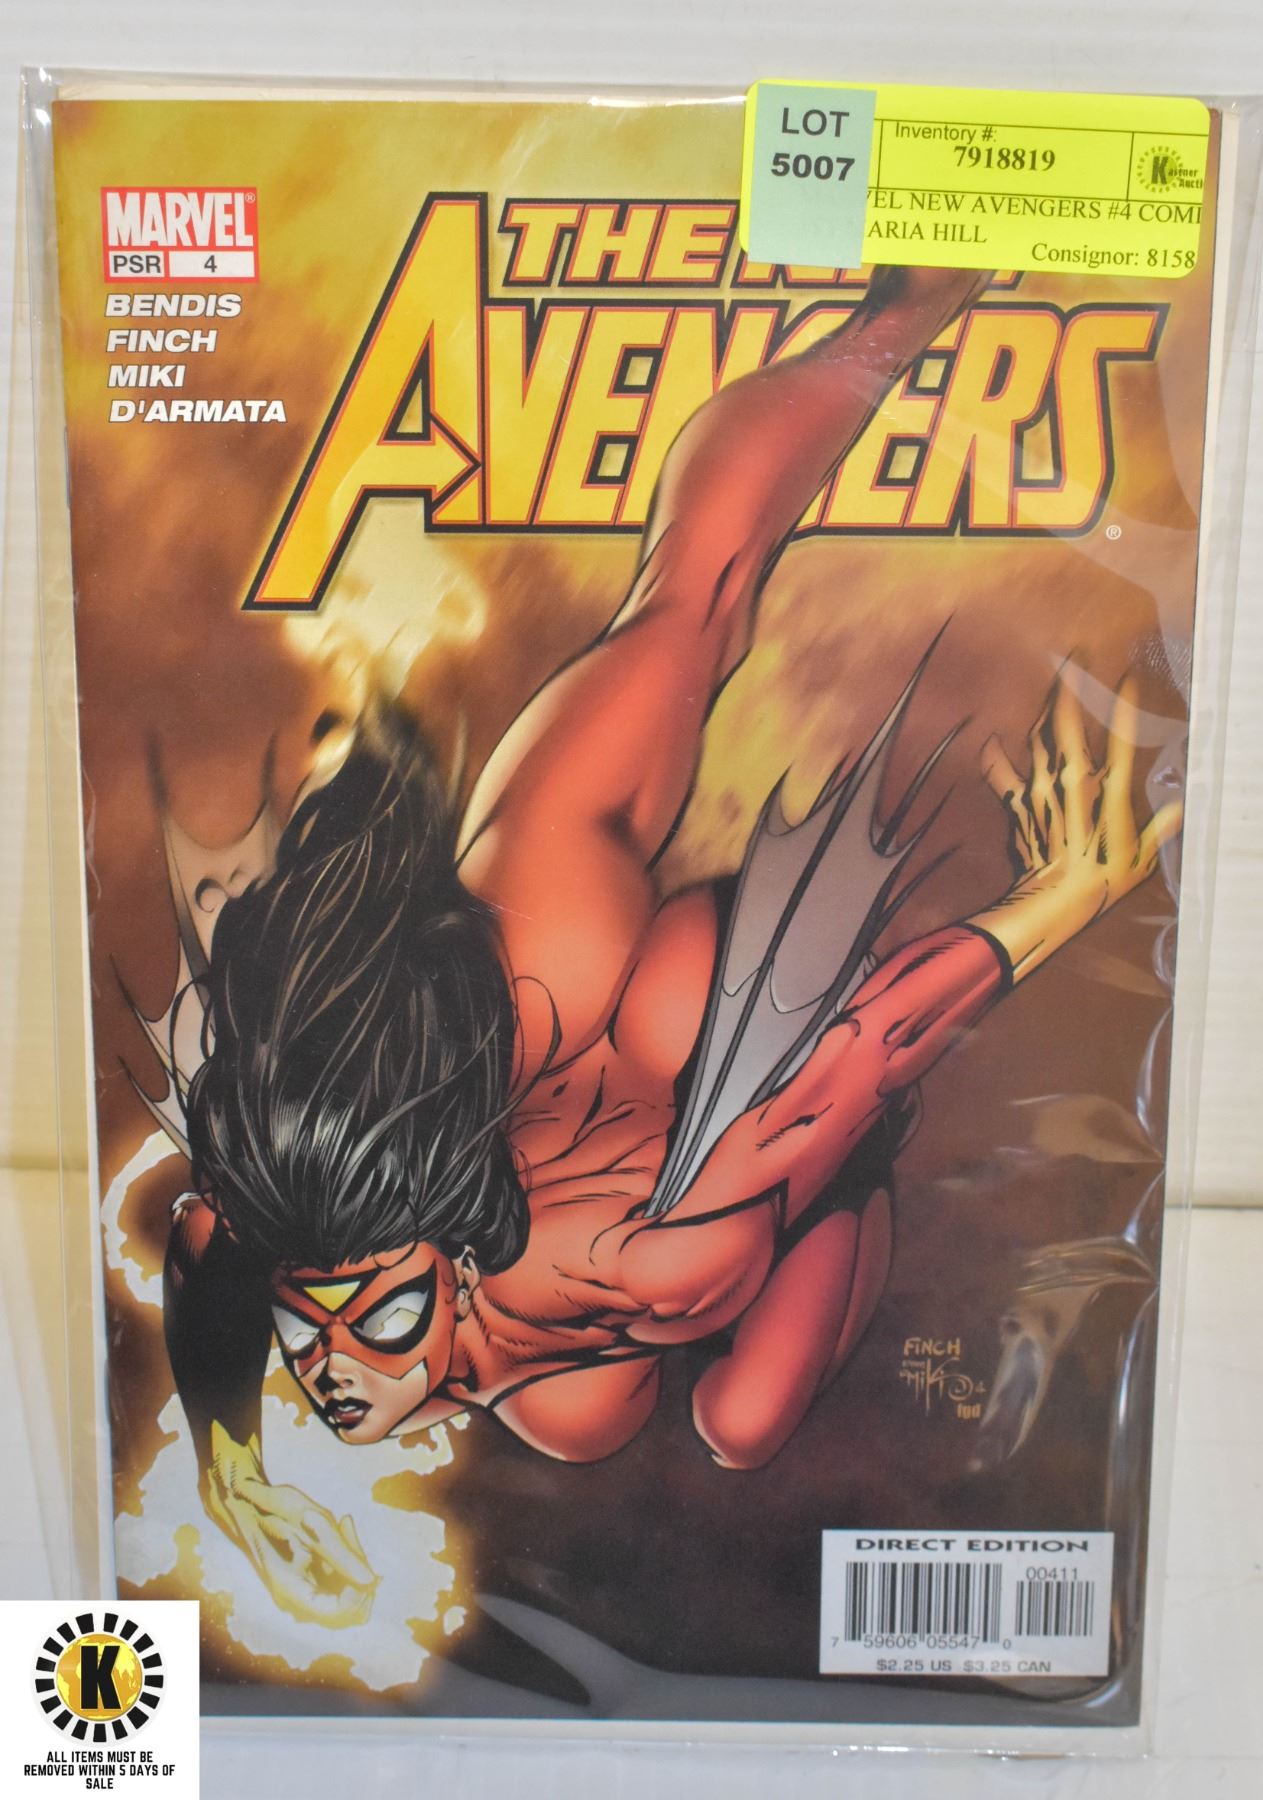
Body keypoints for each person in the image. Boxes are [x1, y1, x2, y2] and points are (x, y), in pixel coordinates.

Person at [156, 265, 1181, 1625]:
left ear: (448, 1266)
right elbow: (213, 1247)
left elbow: (848, 1063)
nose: (333, 1370)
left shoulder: (566, 1099)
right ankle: (836, 1196)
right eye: (319, 1326)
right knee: (711, 1420)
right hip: (714, 1159)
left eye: (362, 1319)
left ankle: (894, 316)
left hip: (669, 1058)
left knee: (685, 608)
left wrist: (1055, 905)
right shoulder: (471, 1279)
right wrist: (231, 1462)